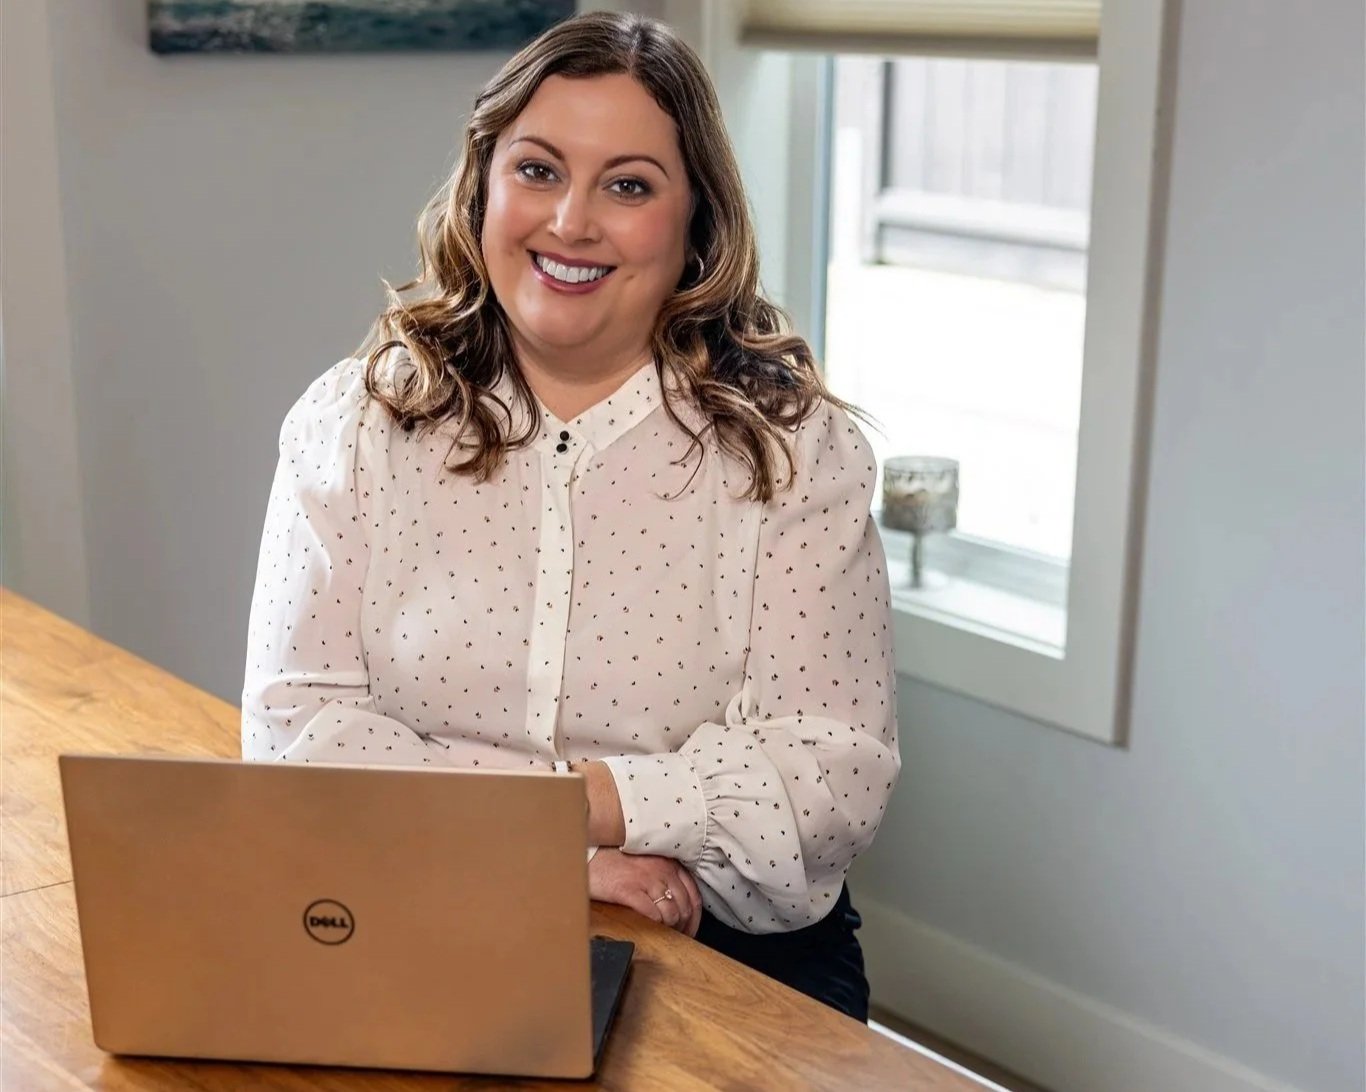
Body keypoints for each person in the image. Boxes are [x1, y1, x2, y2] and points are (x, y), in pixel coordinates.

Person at [242, 11, 899, 1022]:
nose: (570, 222)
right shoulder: (355, 423)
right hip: (412, 900)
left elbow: (825, 781)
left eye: (628, 185)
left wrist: (558, 817)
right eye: (538, 170)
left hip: (720, 944)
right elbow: (297, 740)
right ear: (483, 184)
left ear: (694, 224)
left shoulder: (796, 453)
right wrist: (559, 855)